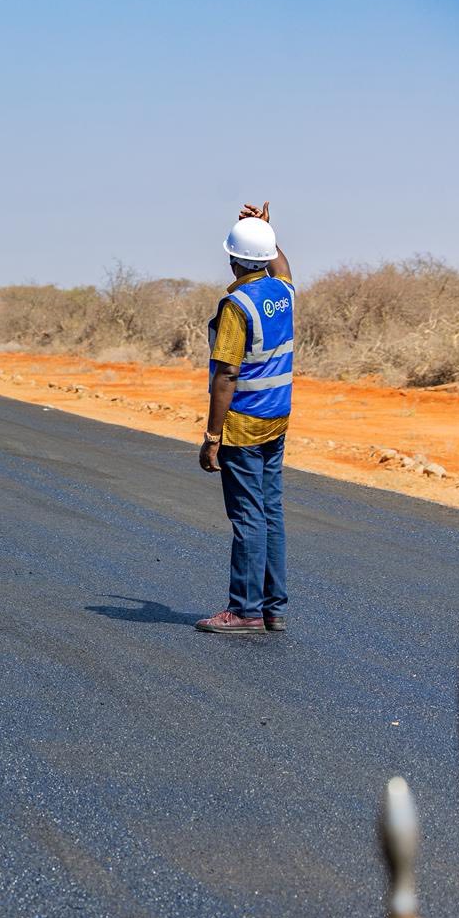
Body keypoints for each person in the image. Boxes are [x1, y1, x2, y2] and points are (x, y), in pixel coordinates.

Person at [195, 202, 295, 634]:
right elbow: (283, 267)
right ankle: (272, 608)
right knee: (270, 511)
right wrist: (266, 233)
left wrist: (212, 435)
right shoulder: (283, 293)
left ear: (232, 259)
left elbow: (227, 373)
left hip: (242, 423)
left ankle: (246, 610)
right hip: (278, 418)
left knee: (248, 516)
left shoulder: (236, 305)